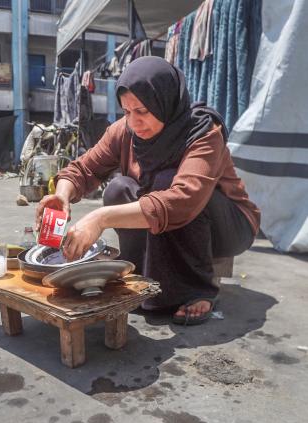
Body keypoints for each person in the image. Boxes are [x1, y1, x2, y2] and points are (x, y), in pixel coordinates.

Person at [36, 56, 260, 325]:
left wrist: (100, 218)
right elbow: (83, 169)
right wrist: (61, 195)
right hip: (175, 216)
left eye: (142, 111)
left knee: (166, 182)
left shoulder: (203, 132)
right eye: (127, 112)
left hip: (229, 225)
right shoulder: (125, 130)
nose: (134, 122)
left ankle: (197, 289)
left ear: (164, 102)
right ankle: (143, 277)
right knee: (119, 188)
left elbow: (183, 200)